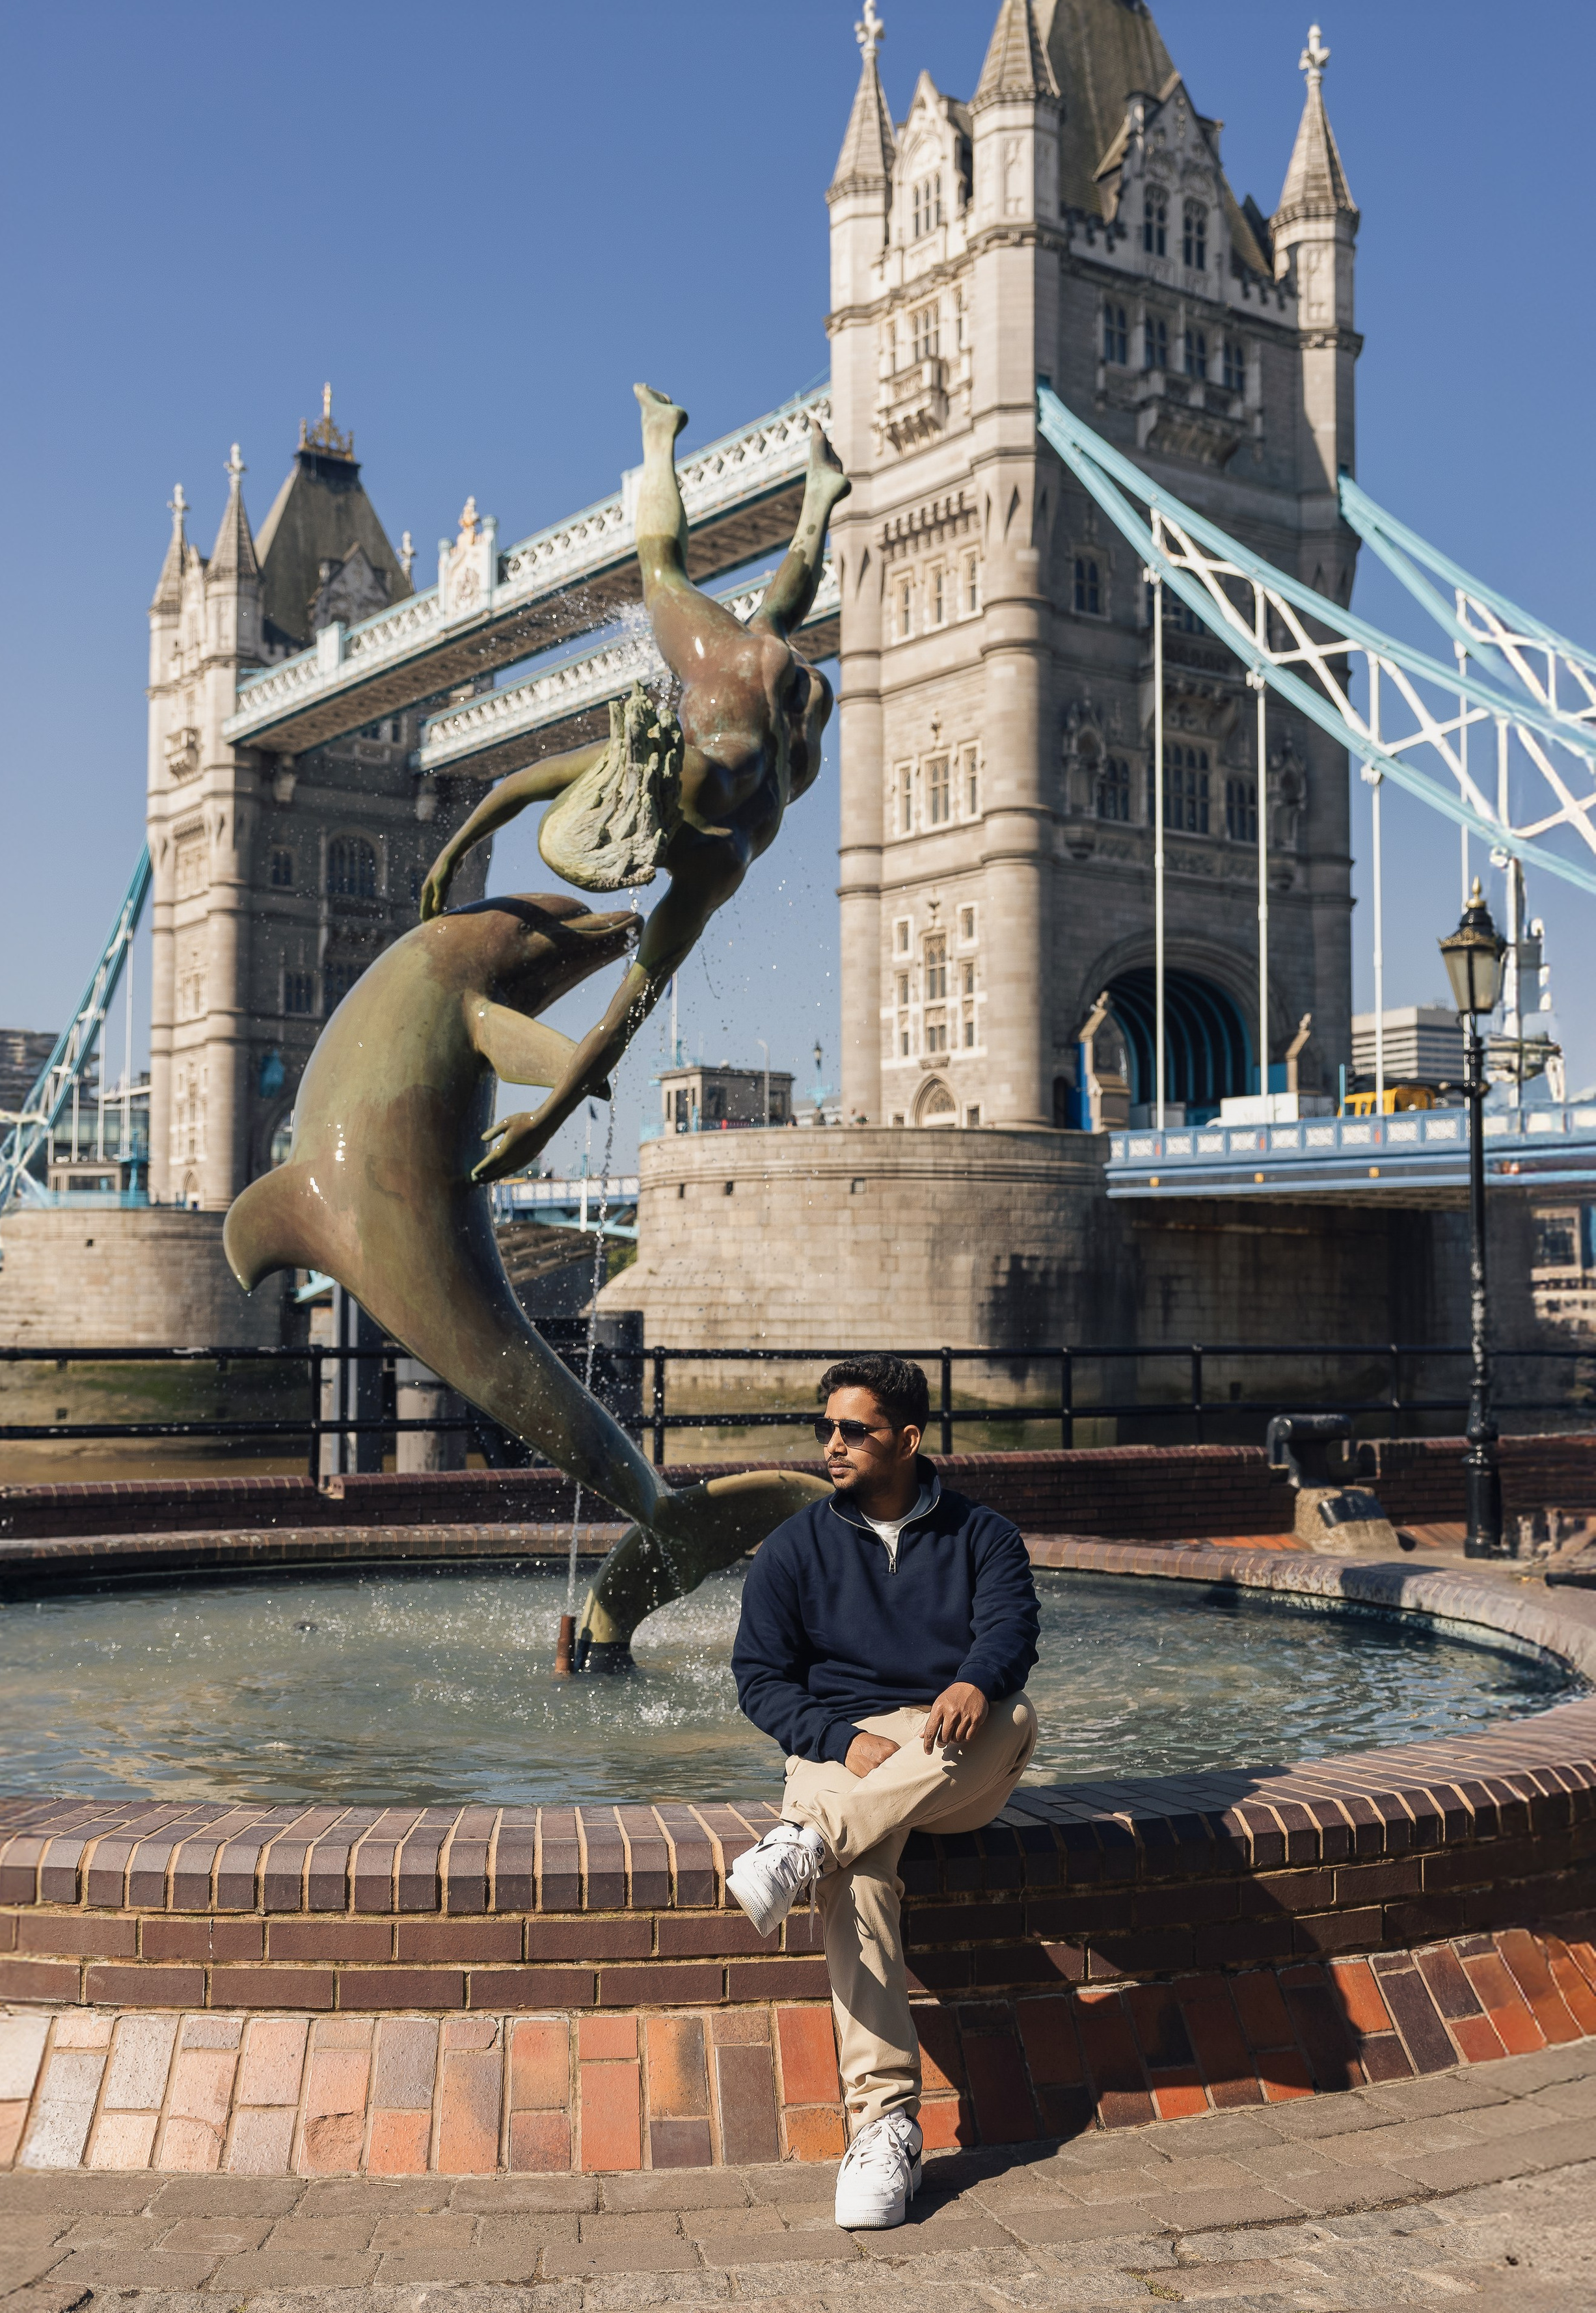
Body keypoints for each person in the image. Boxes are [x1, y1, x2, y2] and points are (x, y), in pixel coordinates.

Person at [420, 383, 845, 1182]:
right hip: (755, 683)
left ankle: (802, 493)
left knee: (726, 602)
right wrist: (454, 849)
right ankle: (673, 443)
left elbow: (616, 1024)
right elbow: (521, 783)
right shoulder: (668, 761)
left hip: (800, 735)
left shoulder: (713, 868)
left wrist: (544, 1125)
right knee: (686, 584)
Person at [727, 1355, 1039, 2230]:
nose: (832, 1444)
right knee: (856, 1878)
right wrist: (840, 1739)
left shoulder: (985, 1536)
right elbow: (759, 1679)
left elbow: (1011, 1629)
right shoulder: (795, 1547)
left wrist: (977, 1681)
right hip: (846, 1749)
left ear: (906, 1439)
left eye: (853, 1430)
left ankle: (803, 1840)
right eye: (825, 1428)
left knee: (1012, 1716)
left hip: (953, 1753)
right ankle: (886, 2128)